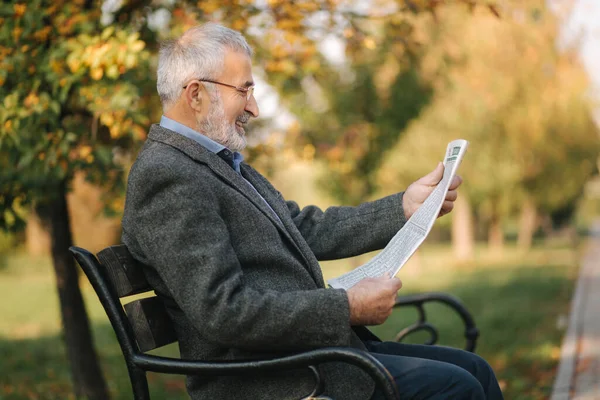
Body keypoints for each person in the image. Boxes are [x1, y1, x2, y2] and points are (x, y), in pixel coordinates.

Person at [121, 23, 503, 400]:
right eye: (245, 89)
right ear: (196, 94)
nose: (253, 106)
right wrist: (347, 307)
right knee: (459, 388)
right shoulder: (168, 176)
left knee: (475, 371)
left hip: (305, 357)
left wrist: (404, 206)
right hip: (271, 378)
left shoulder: (213, 163)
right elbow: (224, 310)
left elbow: (303, 226)